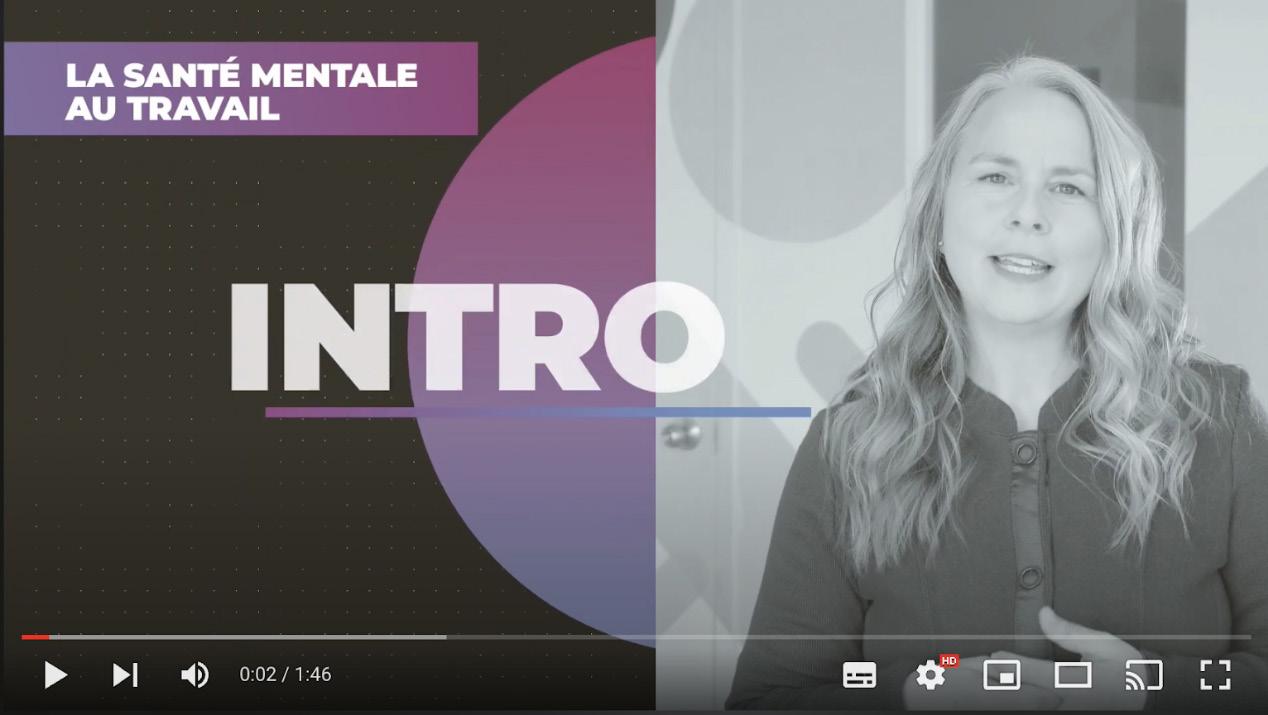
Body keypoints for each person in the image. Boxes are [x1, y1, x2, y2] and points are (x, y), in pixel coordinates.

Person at [726, 55, 1267, 711]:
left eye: (1069, 187)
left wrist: (1151, 691)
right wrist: (912, 697)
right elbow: (768, 698)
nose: (1028, 214)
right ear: (938, 215)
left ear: (1116, 231)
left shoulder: (1222, 422)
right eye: (995, 176)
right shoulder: (847, 446)